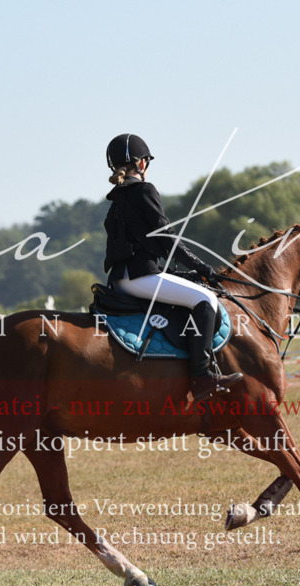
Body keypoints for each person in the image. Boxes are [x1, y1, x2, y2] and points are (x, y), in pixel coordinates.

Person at [102, 133, 242, 402]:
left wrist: (182, 271)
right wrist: (201, 265)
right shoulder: (145, 190)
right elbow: (167, 238)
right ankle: (202, 378)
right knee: (206, 299)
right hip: (141, 277)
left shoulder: (116, 199)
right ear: (142, 164)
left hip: (119, 279)